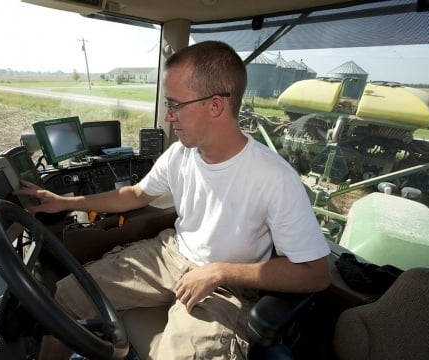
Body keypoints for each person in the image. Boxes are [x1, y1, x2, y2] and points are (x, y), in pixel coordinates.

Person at [18, 40, 331, 359]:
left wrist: (220, 272)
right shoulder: (181, 153)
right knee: (66, 298)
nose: (168, 117)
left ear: (215, 106)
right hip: (171, 254)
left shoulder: (275, 178)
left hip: (228, 285)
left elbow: (316, 273)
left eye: (175, 104)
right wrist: (64, 202)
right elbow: (135, 194)